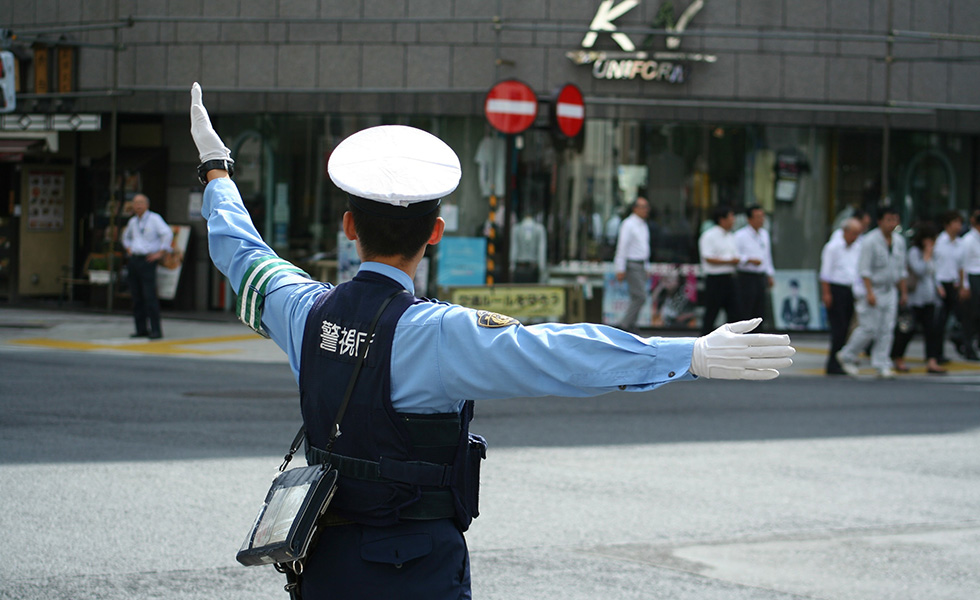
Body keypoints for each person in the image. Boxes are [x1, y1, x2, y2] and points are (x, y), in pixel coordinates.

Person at [189, 82, 795, 600]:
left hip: (320, 558)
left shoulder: (303, 310)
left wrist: (217, 171)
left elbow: (243, 254)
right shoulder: (439, 334)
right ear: (435, 233)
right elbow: (560, 352)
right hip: (415, 567)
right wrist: (686, 355)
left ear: (348, 228)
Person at [836, 206, 908, 378]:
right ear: (880, 221)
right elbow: (864, 270)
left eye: (895, 220)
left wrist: (903, 293)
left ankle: (882, 363)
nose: (892, 224)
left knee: (887, 328)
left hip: (890, 289)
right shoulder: (870, 241)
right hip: (873, 288)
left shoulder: (899, 241)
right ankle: (847, 355)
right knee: (868, 328)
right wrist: (869, 292)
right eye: (889, 219)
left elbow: (902, 270)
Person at [889, 223, 946, 374]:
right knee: (908, 330)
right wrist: (927, 255)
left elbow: (934, 273)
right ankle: (898, 357)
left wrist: (938, 287)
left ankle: (932, 360)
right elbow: (920, 270)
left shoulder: (933, 254)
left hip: (929, 297)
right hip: (915, 298)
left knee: (931, 331)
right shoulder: (914, 252)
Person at [121, 193, 173, 339]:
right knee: (136, 297)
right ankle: (141, 328)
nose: (138, 206)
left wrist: (161, 252)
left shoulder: (154, 219)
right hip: (135, 260)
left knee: (149, 296)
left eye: (141, 203)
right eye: (135, 203)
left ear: (147, 204)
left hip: (148, 260)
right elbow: (126, 238)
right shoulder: (132, 222)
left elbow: (167, 233)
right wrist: (129, 248)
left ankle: (156, 330)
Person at [819, 217, 863, 375]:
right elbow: (825, 273)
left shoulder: (857, 247)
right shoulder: (833, 247)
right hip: (836, 289)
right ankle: (833, 363)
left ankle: (839, 361)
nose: (855, 237)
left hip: (850, 289)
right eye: (853, 233)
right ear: (845, 231)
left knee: (846, 328)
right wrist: (826, 293)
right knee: (838, 328)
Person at [698, 205, 740, 335]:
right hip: (715, 279)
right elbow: (708, 258)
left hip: (730, 278)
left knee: (734, 312)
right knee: (711, 312)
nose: (733, 220)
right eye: (731, 217)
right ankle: (703, 341)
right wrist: (729, 261)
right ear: (722, 219)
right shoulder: (709, 236)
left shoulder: (731, 236)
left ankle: (733, 340)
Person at [933, 210, 969, 362]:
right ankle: (937, 354)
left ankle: (960, 341)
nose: (958, 226)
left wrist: (963, 285)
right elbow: (934, 265)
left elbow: (961, 266)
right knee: (939, 321)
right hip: (941, 284)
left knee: (962, 316)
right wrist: (937, 285)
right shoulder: (939, 242)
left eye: (960, 223)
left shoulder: (960, 244)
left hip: (954, 284)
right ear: (947, 225)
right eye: (956, 222)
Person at [613, 196, 651, 332]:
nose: (646, 210)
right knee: (640, 296)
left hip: (640, 263)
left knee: (637, 296)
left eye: (647, 207)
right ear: (635, 208)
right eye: (643, 207)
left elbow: (644, 248)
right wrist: (620, 268)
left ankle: (631, 325)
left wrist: (646, 266)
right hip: (632, 263)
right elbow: (622, 247)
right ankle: (625, 325)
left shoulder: (643, 224)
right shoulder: (628, 224)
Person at [734, 205, 775, 327]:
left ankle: (758, 338)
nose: (761, 220)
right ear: (749, 219)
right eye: (758, 217)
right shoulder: (740, 235)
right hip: (746, 276)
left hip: (760, 276)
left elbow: (767, 255)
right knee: (746, 309)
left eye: (762, 217)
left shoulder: (764, 234)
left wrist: (770, 274)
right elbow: (735, 255)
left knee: (760, 309)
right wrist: (749, 260)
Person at [958, 208, 980, 360]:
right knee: (972, 314)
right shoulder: (968, 240)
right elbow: (963, 264)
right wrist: (964, 284)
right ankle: (965, 342)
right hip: (972, 277)